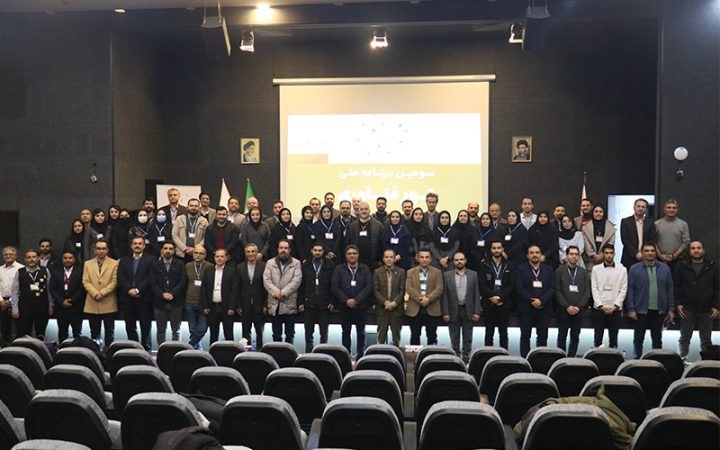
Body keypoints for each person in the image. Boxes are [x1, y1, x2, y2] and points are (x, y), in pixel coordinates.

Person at [626, 243, 675, 359]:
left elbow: (670, 289)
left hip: (659, 310)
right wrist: (631, 308)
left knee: (657, 339)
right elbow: (630, 290)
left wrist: (671, 308)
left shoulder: (665, 268)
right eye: (647, 251)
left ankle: (657, 361)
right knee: (638, 338)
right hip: (640, 309)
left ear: (655, 253)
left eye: (652, 250)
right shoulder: (634, 269)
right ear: (642, 253)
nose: (650, 253)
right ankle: (637, 361)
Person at [673, 240, 718, 360]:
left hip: (707, 309)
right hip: (687, 308)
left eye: (698, 248)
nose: (696, 250)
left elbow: (717, 287)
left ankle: (706, 363)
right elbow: (676, 286)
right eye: (693, 248)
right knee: (684, 338)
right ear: (689, 251)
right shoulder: (682, 266)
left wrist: (716, 306)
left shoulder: (712, 266)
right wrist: (678, 304)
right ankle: (681, 363)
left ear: (703, 250)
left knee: (706, 340)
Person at [331, 245, 373, 357]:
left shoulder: (365, 269)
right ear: (345, 256)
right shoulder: (339, 269)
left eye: (354, 253)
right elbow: (334, 286)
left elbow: (369, 287)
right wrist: (346, 300)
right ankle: (346, 355)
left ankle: (360, 356)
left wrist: (356, 300)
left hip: (361, 306)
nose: (352, 255)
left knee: (361, 332)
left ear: (358, 255)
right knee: (345, 332)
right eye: (349, 253)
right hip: (344, 306)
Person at [515, 245, 554, 357]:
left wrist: (541, 301)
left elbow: (553, 288)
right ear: (527, 256)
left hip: (544, 308)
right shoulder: (521, 269)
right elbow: (519, 288)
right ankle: (524, 360)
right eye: (531, 253)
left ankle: (540, 360)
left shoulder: (549, 270)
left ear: (541, 255)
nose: (534, 255)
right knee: (525, 336)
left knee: (543, 336)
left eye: (537, 252)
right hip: (526, 308)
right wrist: (532, 300)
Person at [442, 252, 481, 362]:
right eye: (457, 260)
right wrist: (445, 312)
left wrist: (477, 311)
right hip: (453, 310)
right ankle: (455, 359)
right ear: (453, 262)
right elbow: (444, 296)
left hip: (468, 310)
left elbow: (476, 294)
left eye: (461, 259)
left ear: (465, 260)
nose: (459, 262)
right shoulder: (447, 275)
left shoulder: (473, 274)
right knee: (454, 337)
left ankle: (466, 358)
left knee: (468, 338)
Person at [118, 236, 155, 350]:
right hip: (128, 298)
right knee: (130, 325)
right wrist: (130, 289)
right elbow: (121, 277)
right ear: (131, 246)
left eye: (140, 243)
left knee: (145, 325)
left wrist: (138, 290)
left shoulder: (151, 259)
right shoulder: (124, 259)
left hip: (144, 298)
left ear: (144, 246)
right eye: (135, 243)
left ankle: (145, 348)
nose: (137, 245)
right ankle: (134, 347)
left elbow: (150, 278)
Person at [263, 239, 303, 344]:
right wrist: (276, 293)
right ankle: (277, 353)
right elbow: (266, 280)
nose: (283, 250)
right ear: (277, 249)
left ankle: (289, 353)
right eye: (281, 248)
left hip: (289, 303)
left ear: (290, 250)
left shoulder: (296, 263)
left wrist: (283, 293)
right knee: (276, 334)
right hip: (275, 303)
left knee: (290, 334)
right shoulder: (270, 263)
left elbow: (297, 280)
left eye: (285, 248)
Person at [82, 240, 119, 348]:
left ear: (107, 250)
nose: (101, 251)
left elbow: (114, 281)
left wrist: (102, 293)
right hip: (92, 302)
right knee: (94, 332)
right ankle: (96, 351)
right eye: (98, 248)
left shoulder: (114, 263)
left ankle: (108, 352)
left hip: (108, 302)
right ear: (95, 250)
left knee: (109, 331)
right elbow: (85, 281)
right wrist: (95, 293)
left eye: (103, 249)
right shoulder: (88, 264)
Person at [555, 246, 591, 357]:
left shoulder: (583, 272)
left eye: (576, 254)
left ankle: (572, 357)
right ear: (566, 256)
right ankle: (560, 358)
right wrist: (566, 306)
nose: (574, 256)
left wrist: (579, 307)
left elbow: (587, 292)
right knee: (562, 336)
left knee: (575, 336)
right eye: (571, 254)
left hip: (578, 310)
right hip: (563, 310)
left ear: (579, 257)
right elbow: (557, 291)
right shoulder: (559, 271)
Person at [479, 240, 515, 349]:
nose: (496, 250)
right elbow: (482, 285)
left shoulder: (509, 265)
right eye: (494, 248)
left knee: (503, 333)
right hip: (488, 303)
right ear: (491, 250)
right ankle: (488, 356)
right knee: (489, 332)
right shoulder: (484, 265)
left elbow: (511, 285)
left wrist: (500, 298)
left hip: (504, 303)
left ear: (502, 249)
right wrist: (492, 297)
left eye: (499, 248)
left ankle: (504, 355)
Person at [590, 244, 627, 349]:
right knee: (598, 338)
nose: (609, 255)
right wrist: (600, 306)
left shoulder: (622, 269)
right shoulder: (595, 269)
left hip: (615, 308)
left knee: (614, 338)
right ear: (603, 254)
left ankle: (614, 357)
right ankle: (597, 357)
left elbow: (623, 289)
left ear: (614, 254)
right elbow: (594, 289)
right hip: (599, 308)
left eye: (611, 253)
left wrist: (616, 306)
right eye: (606, 253)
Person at [300, 243, 335, 352]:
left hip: (324, 303)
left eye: (320, 250)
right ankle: (308, 355)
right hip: (309, 302)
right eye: (315, 250)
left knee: (324, 333)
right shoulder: (305, 265)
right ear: (311, 251)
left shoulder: (330, 265)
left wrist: (332, 301)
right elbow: (301, 284)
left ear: (323, 252)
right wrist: (300, 302)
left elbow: (333, 284)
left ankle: (323, 354)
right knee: (308, 333)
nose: (317, 252)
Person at [405, 248, 444, 345]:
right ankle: (415, 355)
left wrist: (428, 299)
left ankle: (432, 355)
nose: (424, 259)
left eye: (427, 257)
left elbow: (439, 288)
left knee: (432, 336)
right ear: (418, 259)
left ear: (431, 259)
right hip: (415, 309)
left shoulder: (437, 272)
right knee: (414, 335)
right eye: (422, 257)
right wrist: (421, 299)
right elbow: (409, 288)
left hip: (432, 308)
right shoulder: (410, 272)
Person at [151, 241, 187, 345]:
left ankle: (176, 350)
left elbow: (182, 282)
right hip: (159, 301)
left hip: (176, 301)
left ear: (174, 251)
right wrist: (162, 294)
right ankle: (162, 350)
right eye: (165, 248)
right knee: (160, 330)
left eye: (171, 249)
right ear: (161, 251)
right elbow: (152, 283)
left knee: (176, 330)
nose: (168, 251)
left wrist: (172, 294)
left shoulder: (180, 264)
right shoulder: (155, 264)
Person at [13, 249, 53, 339]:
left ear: (38, 258)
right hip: (25, 307)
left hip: (42, 306)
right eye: (29, 257)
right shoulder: (20, 272)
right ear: (25, 259)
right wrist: (15, 308)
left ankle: (40, 347)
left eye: (34, 257)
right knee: (25, 333)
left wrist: (51, 305)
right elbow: (15, 291)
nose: (31, 259)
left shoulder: (45, 270)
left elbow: (49, 289)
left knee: (41, 333)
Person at [203, 248, 238, 344]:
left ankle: (231, 351)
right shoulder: (208, 271)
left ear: (226, 258)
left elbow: (234, 291)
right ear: (214, 258)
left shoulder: (232, 271)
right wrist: (205, 306)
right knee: (213, 334)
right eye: (217, 256)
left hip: (226, 307)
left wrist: (232, 307)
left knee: (228, 333)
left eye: (222, 256)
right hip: (212, 306)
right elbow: (204, 289)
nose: (219, 258)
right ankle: (212, 352)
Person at [49, 251, 85, 342]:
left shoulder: (81, 271)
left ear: (74, 259)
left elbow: (82, 289)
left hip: (76, 307)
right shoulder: (55, 272)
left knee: (77, 333)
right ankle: (63, 349)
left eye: (70, 258)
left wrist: (72, 300)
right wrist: (62, 301)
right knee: (62, 332)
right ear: (62, 259)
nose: (68, 260)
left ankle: (78, 349)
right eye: (65, 258)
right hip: (61, 308)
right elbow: (52, 289)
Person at [373, 249, 406, 347]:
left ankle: (396, 356)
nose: (389, 259)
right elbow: (375, 290)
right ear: (383, 259)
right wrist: (385, 302)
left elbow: (402, 290)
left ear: (395, 259)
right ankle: (380, 355)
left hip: (396, 309)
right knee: (381, 338)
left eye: (391, 257)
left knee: (396, 338)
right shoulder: (377, 272)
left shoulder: (401, 272)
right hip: (382, 309)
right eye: (386, 257)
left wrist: (394, 303)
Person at [237, 243, 267, 348]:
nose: (250, 254)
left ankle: (260, 351)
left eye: (253, 251)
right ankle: (246, 353)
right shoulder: (240, 267)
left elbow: (266, 287)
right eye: (248, 252)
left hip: (259, 304)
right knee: (245, 332)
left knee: (260, 332)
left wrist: (266, 304)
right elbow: (237, 287)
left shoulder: (264, 266)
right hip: (244, 304)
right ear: (245, 253)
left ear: (257, 252)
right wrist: (238, 305)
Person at [185, 246, 213, 349]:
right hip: (189, 301)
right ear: (192, 254)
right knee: (192, 329)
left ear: (205, 255)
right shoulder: (187, 266)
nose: (198, 255)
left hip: (203, 302)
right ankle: (197, 349)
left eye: (201, 253)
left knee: (202, 328)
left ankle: (190, 346)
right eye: (196, 253)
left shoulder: (210, 267)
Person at [620, 198, 657, 270]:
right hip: (629, 257)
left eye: (643, 207)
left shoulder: (651, 222)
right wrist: (635, 253)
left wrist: (644, 252)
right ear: (634, 207)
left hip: (646, 257)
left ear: (646, 209)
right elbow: (625, 240)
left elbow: (653, 239)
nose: (640, 208)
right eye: (638, 206)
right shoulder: (625, 221)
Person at [655, 199, 691, 272]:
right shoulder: (657, 224)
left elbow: (686, 242)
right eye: (669, 207)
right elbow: (653, 241)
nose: (671, 210)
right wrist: (660, 256)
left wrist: (674, 255)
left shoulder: (683, 224)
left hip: (678, 260)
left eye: (674, 208)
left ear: (677, 210)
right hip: (660, 260)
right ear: (664, 209)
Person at [344, 202, 383, 270]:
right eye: (361, 209)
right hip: (355, 261)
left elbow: (382, 244)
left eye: (366, 209)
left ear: (369, 211)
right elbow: (347, 243)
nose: (364, 211)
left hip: (373, 262)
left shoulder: (378, 225)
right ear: (358, 211)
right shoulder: (352, 226)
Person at [172, 198, 209, 263]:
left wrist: (196, 248)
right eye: (191, 206)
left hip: (198, 254)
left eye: (196, 206)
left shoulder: (204, 220)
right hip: (182, 253)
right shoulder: (179, 219)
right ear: (187, 207)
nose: (193, 208)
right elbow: (174, 234)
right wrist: (184, 248)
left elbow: (207, 236)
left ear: (199, 208)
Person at [582, 204, 616, 273]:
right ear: (592, 213)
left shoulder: (611, 227)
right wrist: (593, 255)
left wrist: (602, 255)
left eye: (600, 212)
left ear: (604, 213)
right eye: (596, 211)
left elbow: (611, 242)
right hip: (590, 260)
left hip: (605, 259)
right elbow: (586, 243)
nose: (598, 213)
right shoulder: (585, 227)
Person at [0, 247, 23, 343]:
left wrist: (10, 301)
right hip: (2, 303)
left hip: (17, 301)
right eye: (6, 254)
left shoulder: (21, 268)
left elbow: (22, 287)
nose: (8, 256)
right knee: (4, 329)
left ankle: (19, 348)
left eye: (10, 254)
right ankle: (5, 348)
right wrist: (1, 300)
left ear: (15, 256)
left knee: (20, 329)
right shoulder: (0, 269)